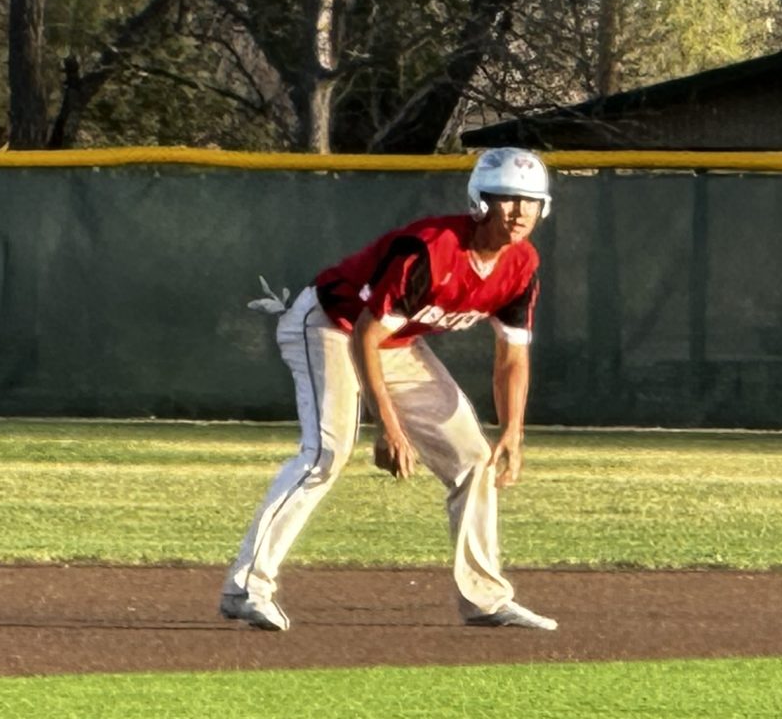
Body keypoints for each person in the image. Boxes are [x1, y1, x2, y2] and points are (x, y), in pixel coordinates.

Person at [221, 148, 559, 633]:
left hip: (393, 342)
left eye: (529, 201)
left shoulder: (521, 265)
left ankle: (486, 600)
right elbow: (365, 334)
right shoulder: (430, 248)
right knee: (326, 455)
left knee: (473, 459)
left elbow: (513, 356)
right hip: (329, 325)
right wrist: (389, 426)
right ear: (480, 202)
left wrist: (514, 432)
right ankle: (246, 588)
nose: (518, 211)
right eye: (506, 198)